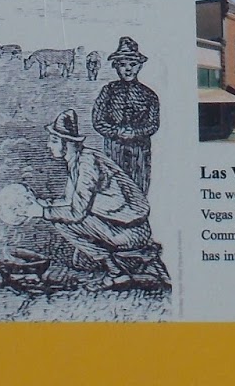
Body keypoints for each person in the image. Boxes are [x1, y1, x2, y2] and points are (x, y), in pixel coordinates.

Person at [33, 109, 166, 288]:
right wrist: (42, 205)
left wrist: (42, 211)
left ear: (68, 144)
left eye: (54, 140)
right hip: (122, 226)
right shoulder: (78, 162)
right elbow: (68, 202)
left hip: (130, 231)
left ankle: (116, 272)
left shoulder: (87, 164)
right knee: (57, 215)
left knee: (60, 221)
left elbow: (76, 212)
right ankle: (135, 263)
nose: (49, 145)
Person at [92, 36, 160, 194]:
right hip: (114, 149)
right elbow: (98, 120)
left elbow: (153, 124)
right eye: (122, 65)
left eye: (133, 64)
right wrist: (117, 132)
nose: (128, 69)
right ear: (115, 66)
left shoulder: (149, 95)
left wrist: (135, 133)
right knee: (114, 190)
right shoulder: (108, 91)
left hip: (139, 152)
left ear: (140, 67)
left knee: (138, 190)